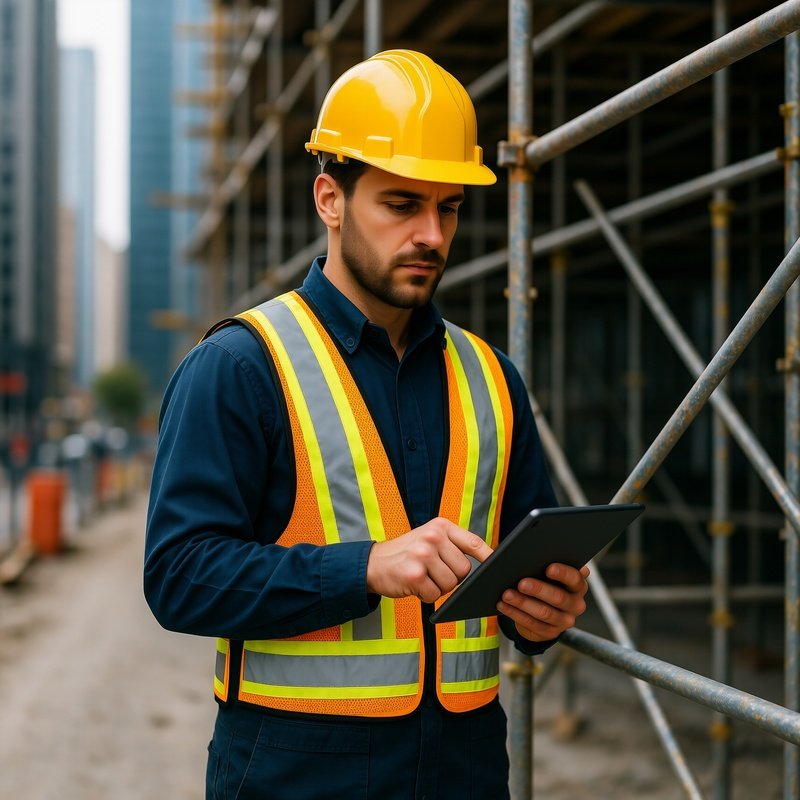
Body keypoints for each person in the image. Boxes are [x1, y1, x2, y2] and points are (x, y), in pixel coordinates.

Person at [144, 49, 589, 800]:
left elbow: (515, 578)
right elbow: (179, 576)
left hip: (466, 771)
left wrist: (545, 612)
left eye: (447, 206)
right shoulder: (241, 367)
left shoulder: (491, 377)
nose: (432, 235)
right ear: (330, 198)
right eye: (401, 203)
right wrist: (366, 567)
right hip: (297, 774)